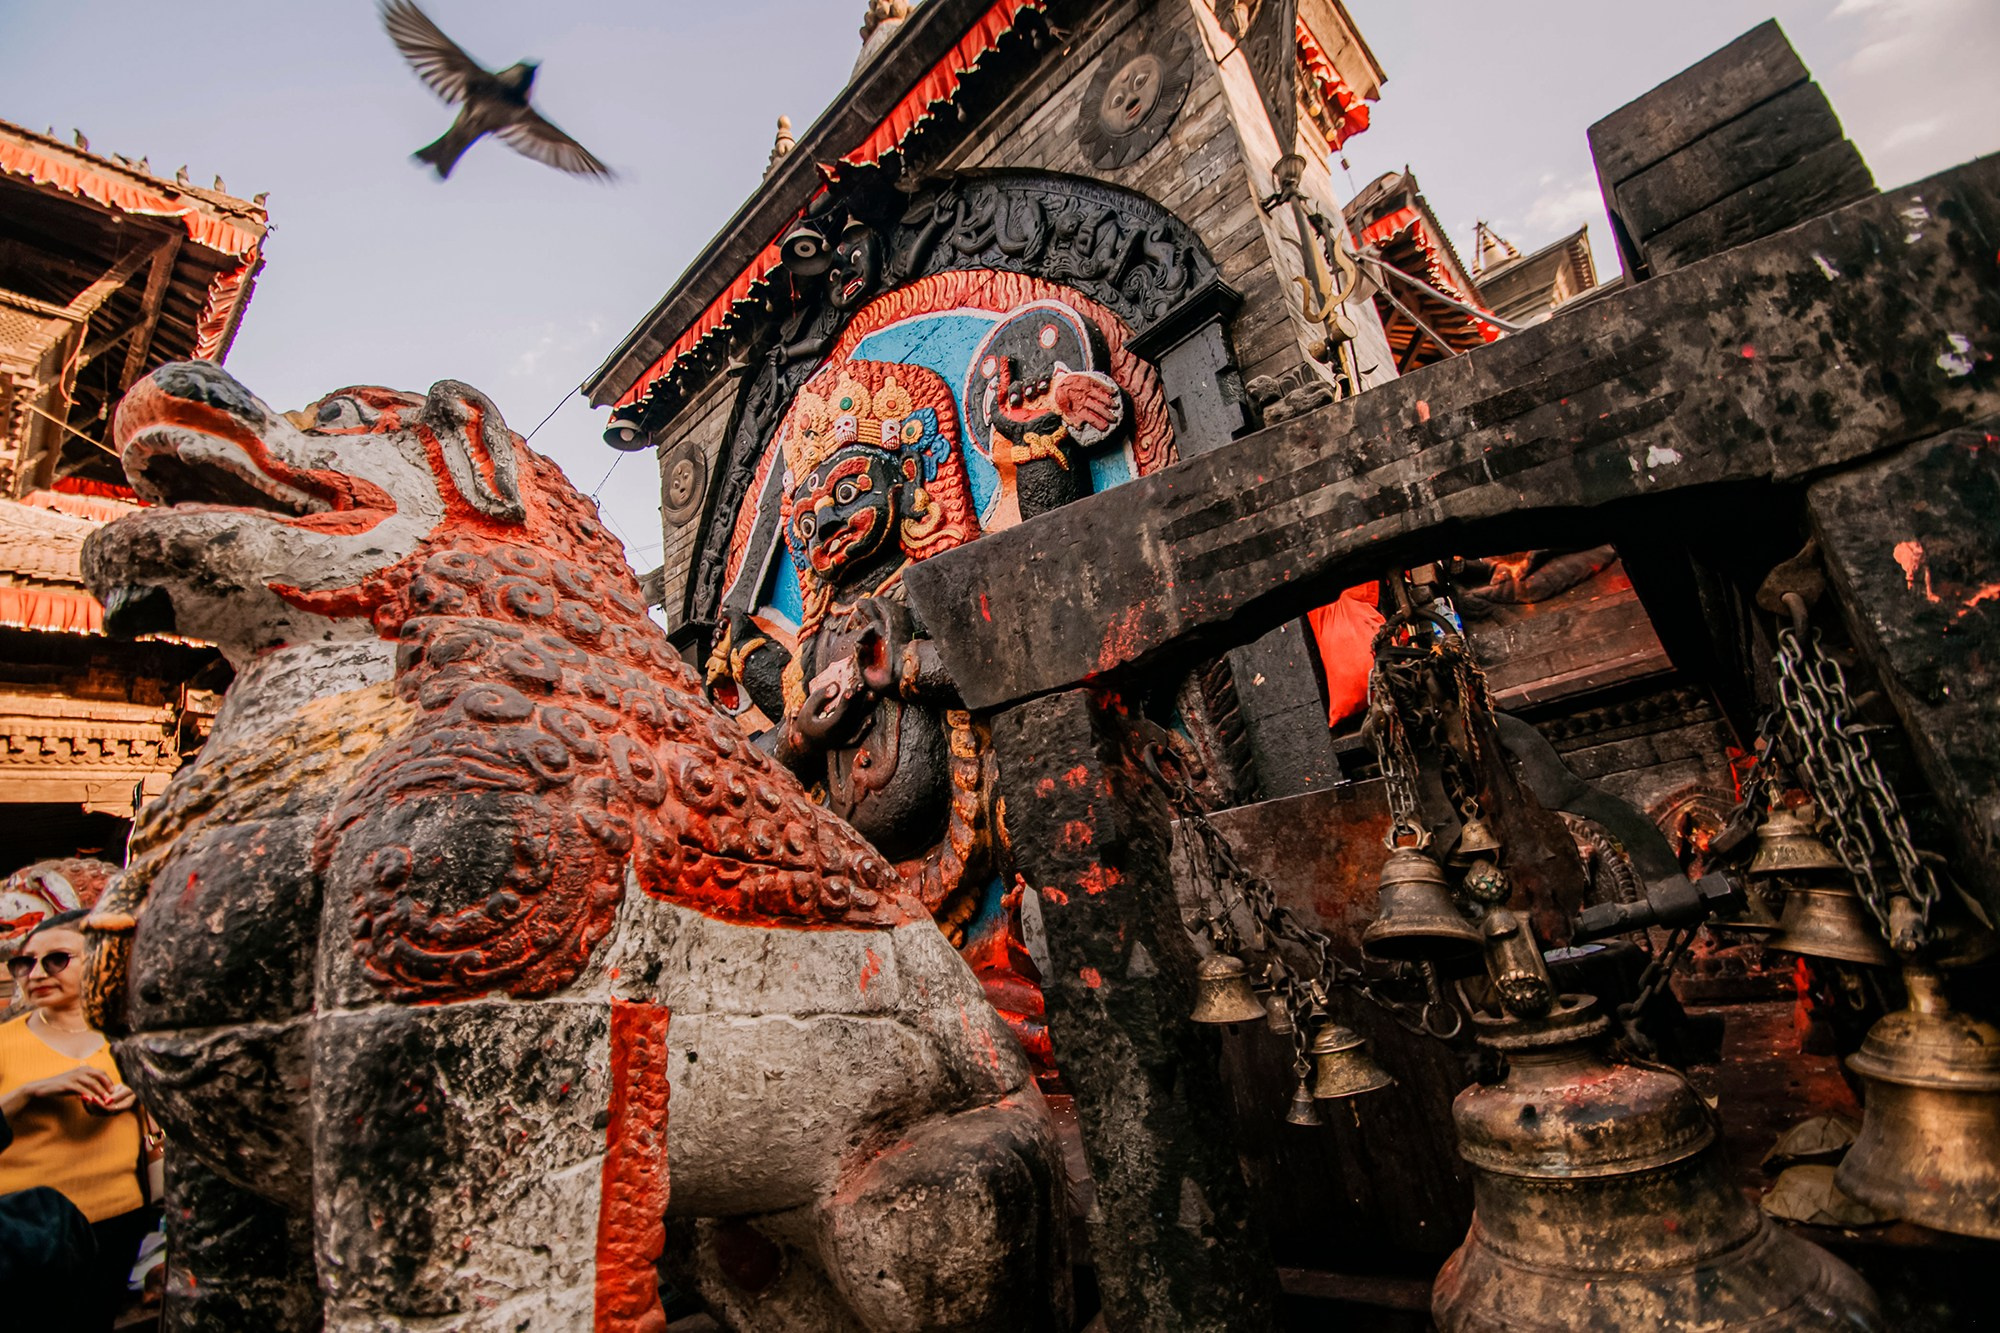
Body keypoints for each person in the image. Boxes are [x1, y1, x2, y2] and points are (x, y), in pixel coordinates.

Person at [0, 910, 156, 1329]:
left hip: (118, 1220)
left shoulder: (132, 1040)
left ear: (102, 961)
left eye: (56, 959)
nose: (36, 973)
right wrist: (30, 1092)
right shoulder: (3, 1043)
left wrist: (144, 1095)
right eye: (25, 962)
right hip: (22, 1233)